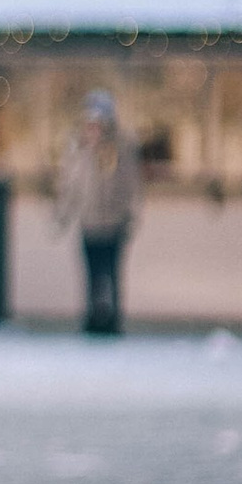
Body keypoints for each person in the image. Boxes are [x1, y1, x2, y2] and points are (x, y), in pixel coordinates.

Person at [55, 87, 142, 334]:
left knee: (112, 274)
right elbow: (70, 186)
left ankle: (113, 319)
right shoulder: (78, 150)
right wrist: (62, 216)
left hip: (113, 224)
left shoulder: (121, 149)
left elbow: (130, 185)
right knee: (91, 275)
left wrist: (129, 216)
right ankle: (92, 318)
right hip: (89, 222)